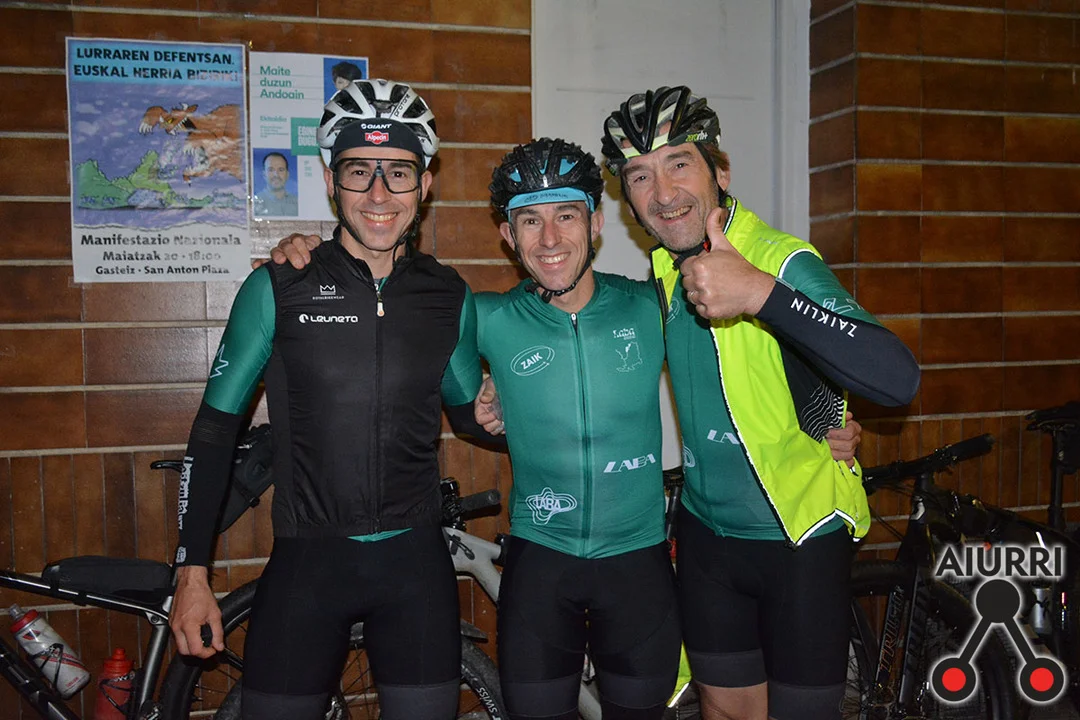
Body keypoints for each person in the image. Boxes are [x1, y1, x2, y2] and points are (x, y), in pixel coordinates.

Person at [268, 138, 864, 720]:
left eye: (566, 216)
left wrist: (825, 420)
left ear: (596, 223)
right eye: (530, 221)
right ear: (508, 236)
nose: (549, 239)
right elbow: (400, 336)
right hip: (539, 568)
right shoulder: (483, 315)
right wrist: (313, 253)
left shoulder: (654, 303)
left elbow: (734, 369)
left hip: (639, 569)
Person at [169, 78, 500, 720]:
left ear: (425, 185)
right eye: (358, 171)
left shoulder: (448, 296)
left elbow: (469, 416)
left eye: (398, 172)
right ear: (330, 181)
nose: (379, 193)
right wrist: (191, 573)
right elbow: (212, 433)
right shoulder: (278, 287)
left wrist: (501, 406)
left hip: (416, 570)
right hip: (307, 569)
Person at [599, 86, 921, 720]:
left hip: (797, 541)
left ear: (720, 173)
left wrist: (762, 294)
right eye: (639, 175)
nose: (662, 192)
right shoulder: (664, 269)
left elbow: (897, 377)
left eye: (679, 164)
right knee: (724, 711)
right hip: (706, 540)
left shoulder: (781, 258)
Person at [253, 151, 298, 217]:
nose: (276, 175)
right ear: (264, 174)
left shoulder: (298, 203)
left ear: (287, 174)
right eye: (271, 170)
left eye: (281, 170)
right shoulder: (254, 203)